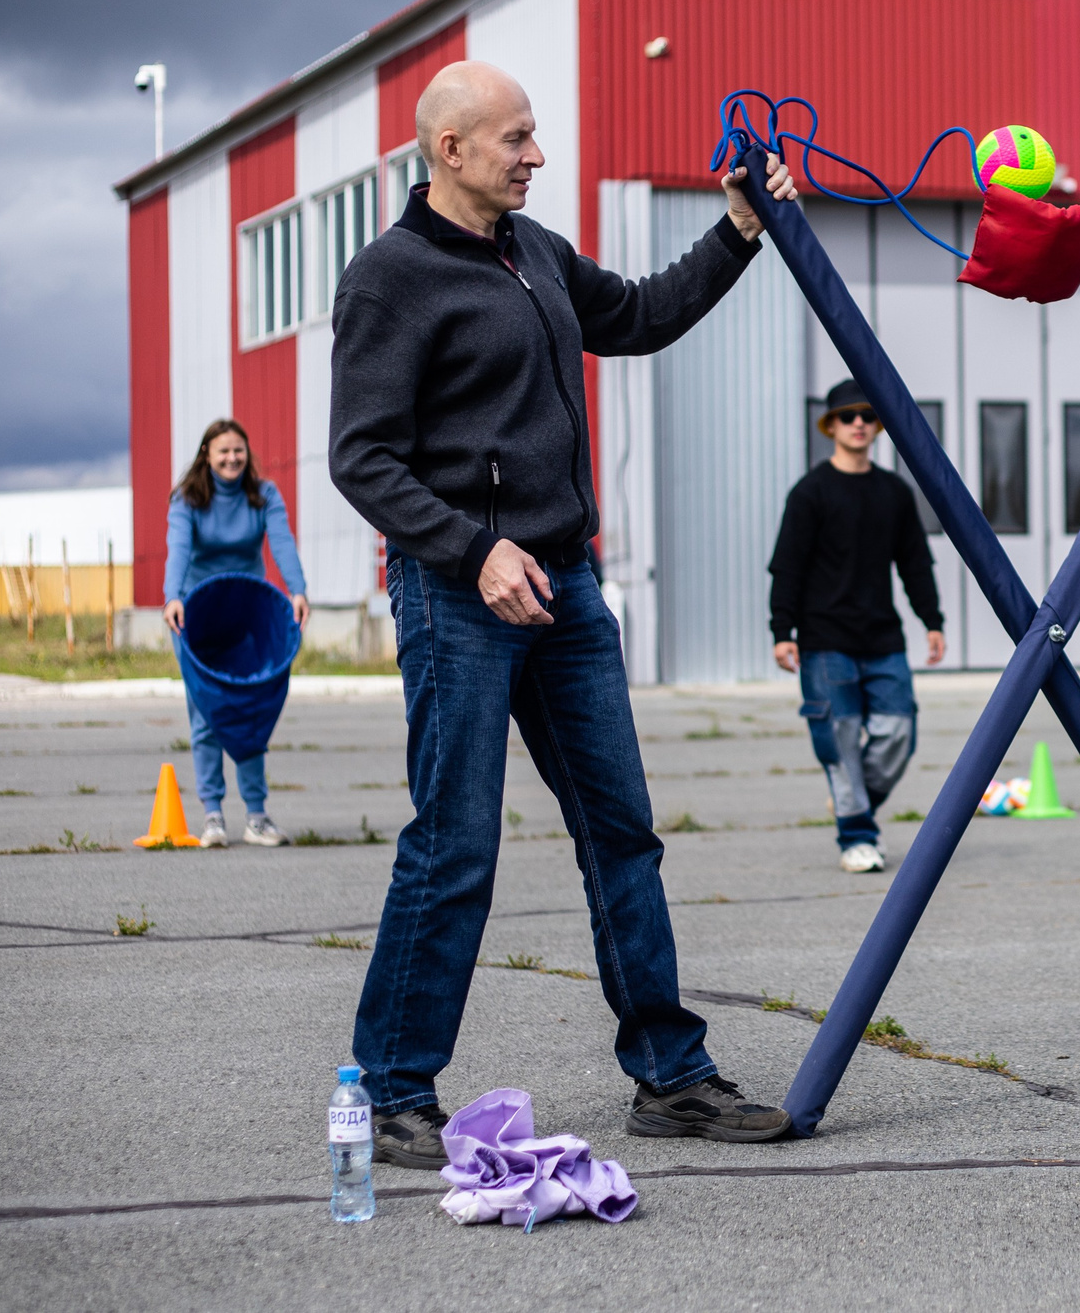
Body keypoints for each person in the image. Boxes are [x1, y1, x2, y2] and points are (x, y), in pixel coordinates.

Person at [330, 59, 802, 1165]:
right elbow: (363, 458)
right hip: (460, 594)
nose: (536, 156)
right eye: (516, 139)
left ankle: (669, 1077)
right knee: (455, 845)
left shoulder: (535, 253)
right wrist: (467, 547)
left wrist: (739, 229)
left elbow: (638, 316)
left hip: (567, 587)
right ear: (451, 151)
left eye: (533, 138)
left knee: (620, 834)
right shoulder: (388, 279)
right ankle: (395, 1089)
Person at [769, 378, 946, 873]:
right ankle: (858, 837)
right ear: (831, 426)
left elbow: (915, 563)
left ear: (879, 425)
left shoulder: (894, 493)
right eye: (848, 416)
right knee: (840, 742)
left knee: (898, 736)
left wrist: (932, 621)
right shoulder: (810, 493)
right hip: (825, 643)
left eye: (868, 416)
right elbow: (787, 567)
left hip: (883, 639)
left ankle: (852, 798)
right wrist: (782, 631)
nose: (859, 424)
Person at [163, 417, 309, 848]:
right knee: (207, 715)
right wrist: (172, 596)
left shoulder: (263, 495)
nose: (231, 458)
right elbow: (179, 550)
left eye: (238, 451)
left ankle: (257, 817)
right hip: (193, 618)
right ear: (206, 454)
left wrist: (297, 590)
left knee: (249, 713)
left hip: (245, 619)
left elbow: (282, 542)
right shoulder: (188, 499)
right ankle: (212, 816)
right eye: (223, 451)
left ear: (247, 455)